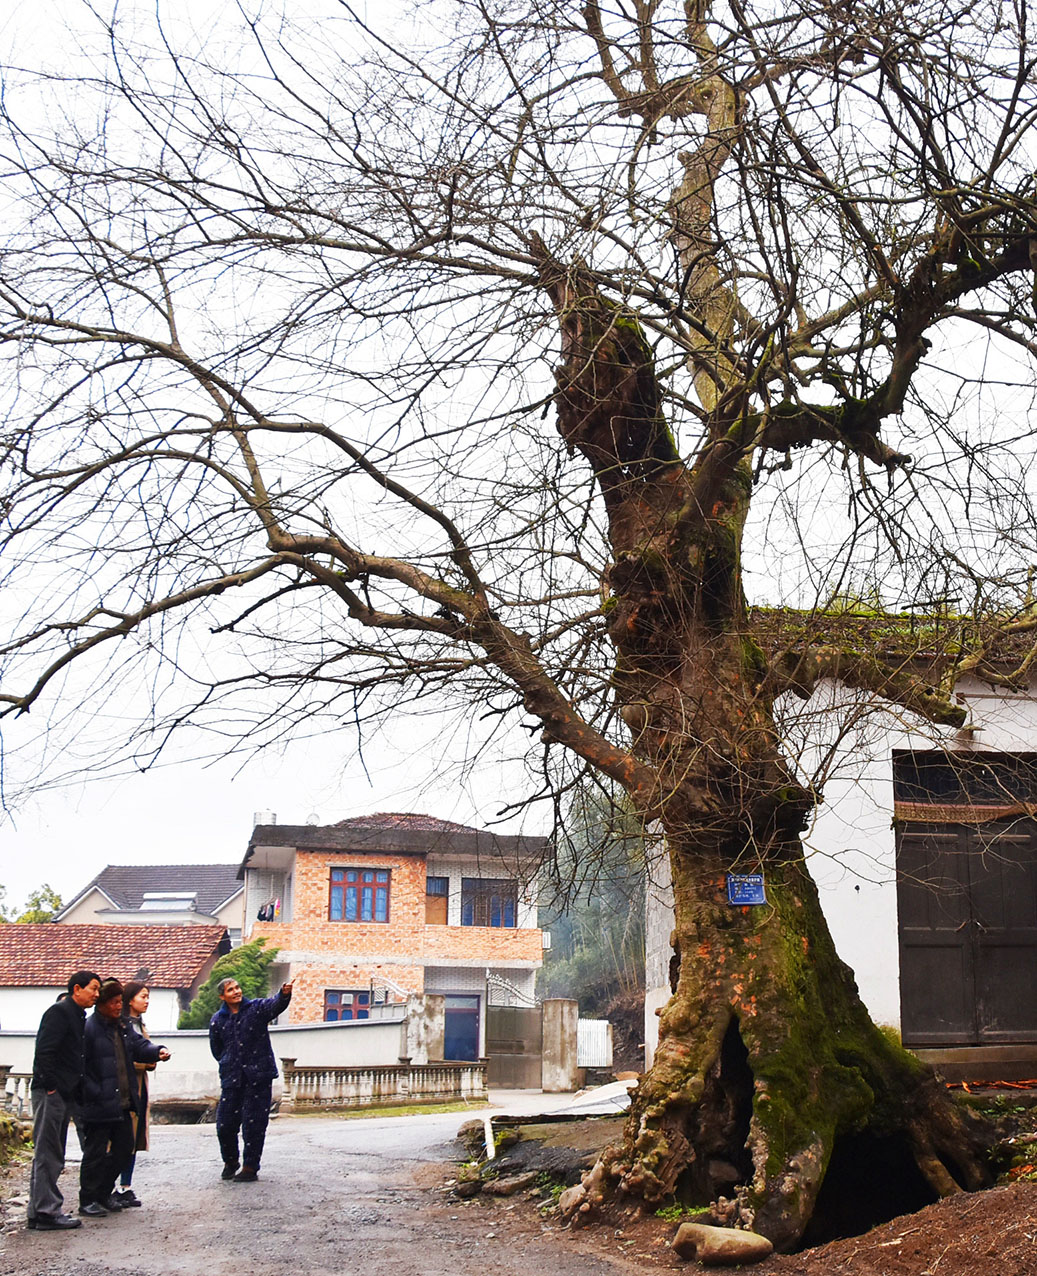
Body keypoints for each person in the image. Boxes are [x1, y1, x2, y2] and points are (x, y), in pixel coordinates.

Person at [78, 979, 170, 1218]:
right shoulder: (90, 1029)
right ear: (103, 1004)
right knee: (95, 1153)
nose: (119, 1006)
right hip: (99, 1103)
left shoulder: (122, 1026)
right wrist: (93, 1093)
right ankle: (88, 1198)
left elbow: (139, 1046)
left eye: (121, 1001)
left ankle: (103, 1193)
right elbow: (81, 1068)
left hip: (122, 1101)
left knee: (124, 1147)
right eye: (115, 1002)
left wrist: (157, 1051)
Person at [27, 969, 102, 1231]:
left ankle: (38, 1211)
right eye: (93, 988)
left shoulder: (78, 1016)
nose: (96, 994)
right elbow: (45, 1051)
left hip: (64, 1092)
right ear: (77, 989)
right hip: (51, 1092)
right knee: (48, 1152)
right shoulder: (59, 1012)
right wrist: (50, 1087)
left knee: (50, 1151)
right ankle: (47, 1212)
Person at [209, 977, 293, 1182]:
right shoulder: (217, 1020)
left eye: (237, 987)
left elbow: (274, 1005)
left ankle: (250, 1167)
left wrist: (284, 994)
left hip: (259, 1077)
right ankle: (230, 1161)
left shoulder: (256, 1009)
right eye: (231, 990)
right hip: (232, 1079)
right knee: (225, 1124)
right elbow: (217, 1049)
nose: (236, 991)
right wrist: (230, 1062)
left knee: (254, 1124)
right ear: (222, 996)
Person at [113, 981, 154, 1207]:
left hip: (140, 1085)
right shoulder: (123, 1025)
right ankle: (115, 1185)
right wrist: (145, 1063)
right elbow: (124, 1057)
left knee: (135, 1135)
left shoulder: (139, 1024)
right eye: (143, 997)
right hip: (128, 1085)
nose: (146, 1001)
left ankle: (126, 1185)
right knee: (123, 1136)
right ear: (130, 999)